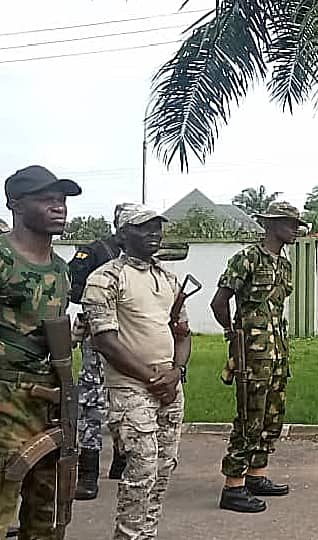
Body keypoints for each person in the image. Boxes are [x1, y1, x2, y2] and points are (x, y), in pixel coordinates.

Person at [81, 204, 190, 540]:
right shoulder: (105, 279)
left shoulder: (169, 279)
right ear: (123, 233)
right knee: (141, 469)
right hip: (132, 388)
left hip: (168, 387)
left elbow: (183, 334)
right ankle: (128, 536)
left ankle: (148, 534)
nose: (154, 233)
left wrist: (176, 372)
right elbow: (106, 342)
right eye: (144, 228)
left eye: (157, 227)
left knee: (162, 470)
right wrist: (152, 378)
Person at [0, 165, 81, 539]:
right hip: (5, 398)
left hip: (49, 400)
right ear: (15, 204)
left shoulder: (61, 270)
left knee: (46, 510)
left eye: (62, 200)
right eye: (46, 199)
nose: (58, 207)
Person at [212, 201, 303, 513]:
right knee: (250, 417)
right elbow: (219, 302)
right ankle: (233, 486)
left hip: (278, 351)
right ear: (270, 225)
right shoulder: (247, 258)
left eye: (295, 223)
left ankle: (256, 474)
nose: (294, 229)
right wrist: (232, 333)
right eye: (288, 223)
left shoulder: (285, 264)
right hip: (253, 353)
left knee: (272, 415)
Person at [68, 203, 136, 500]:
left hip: (131, 337)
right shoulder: (95, 251)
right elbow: (71, 285)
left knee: (126, 397)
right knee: (92, 401)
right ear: (119, 227)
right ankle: (88, 472)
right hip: (98, 336)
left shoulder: (140, 261)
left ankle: (122, 460)